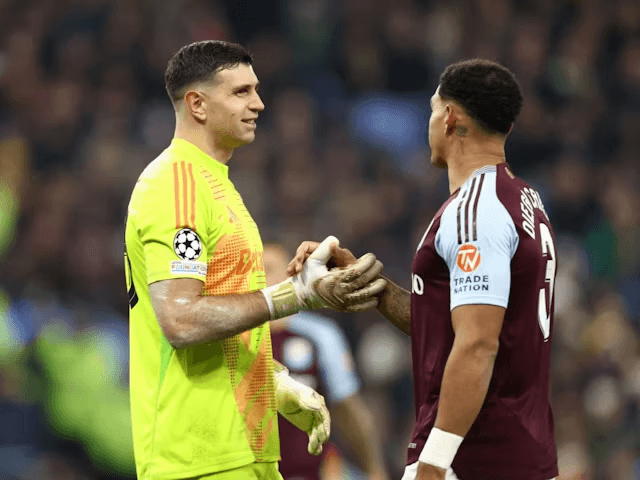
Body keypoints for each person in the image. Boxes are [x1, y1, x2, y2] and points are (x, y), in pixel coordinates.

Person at [123, 40, 385, 480]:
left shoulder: (219, 188)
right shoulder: (176, 185)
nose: (259, 104)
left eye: (256, 90)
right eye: (241, 92)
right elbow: (182, 320)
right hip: (199, 456)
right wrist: (293, 296)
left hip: (244, 452)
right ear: (197, 104)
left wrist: (276, 384)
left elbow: (225, 320)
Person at [288, 59, 559, 480]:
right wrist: (374, 287)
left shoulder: (476, 212)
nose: (430, 123)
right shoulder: (522, 199)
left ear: (450, 118)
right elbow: (453, 326)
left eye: (434, 110)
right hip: (518, 450)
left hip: (478, 457)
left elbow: (477, 345)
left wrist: (436, 459)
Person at [263, 243, 389, 480]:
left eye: (268, 269)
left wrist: (374, 467)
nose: (260, 278)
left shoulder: (320, 334)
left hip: (316, 471)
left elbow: (347, 406)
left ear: (290, 275)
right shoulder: (236, 341)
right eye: (253, 271)